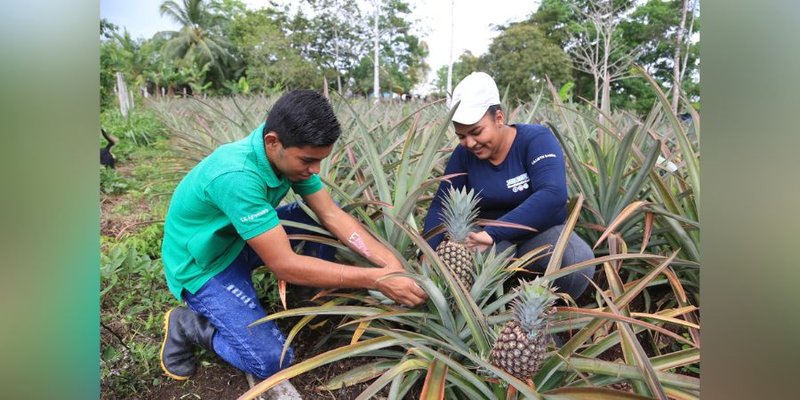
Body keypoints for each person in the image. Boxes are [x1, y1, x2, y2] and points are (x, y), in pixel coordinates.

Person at [159, 90, 427, 381]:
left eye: (320, 160)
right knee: (273, 360)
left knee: (316, 216)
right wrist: (376, 279)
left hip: (240, 237)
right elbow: (284, 264)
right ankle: (188, 324)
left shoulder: (286, 155)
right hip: (205, 264)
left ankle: (309, 293)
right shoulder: (236, 176)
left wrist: (390, 265)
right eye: (308, 160)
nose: (315, 170)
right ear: (272, 142)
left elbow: (331, 216)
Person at [423, 72, 595, 301]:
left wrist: (493, 233)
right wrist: (428, 251)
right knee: (462, 272)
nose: (470, 143)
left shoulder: (536, 140)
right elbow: (440, 206)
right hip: (483, 240)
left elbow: (553, 195)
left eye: (476, 132)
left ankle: (545, 316)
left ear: (499, 118)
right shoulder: (463, 154)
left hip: (536, 233)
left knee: (576, 259)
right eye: (461, 136)